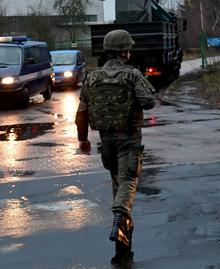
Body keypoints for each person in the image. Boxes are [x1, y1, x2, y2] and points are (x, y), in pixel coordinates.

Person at [75, 29, 156, 262]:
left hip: (106, 141)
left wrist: (83, 138)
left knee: (119, 185)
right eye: (128, 49)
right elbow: (149, 101)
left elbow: (82, 111)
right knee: (129, 181)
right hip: (129, 139)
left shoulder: (93, 77)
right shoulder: (132, 75)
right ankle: (119, 219)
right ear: (124, 52)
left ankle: (122, 250)